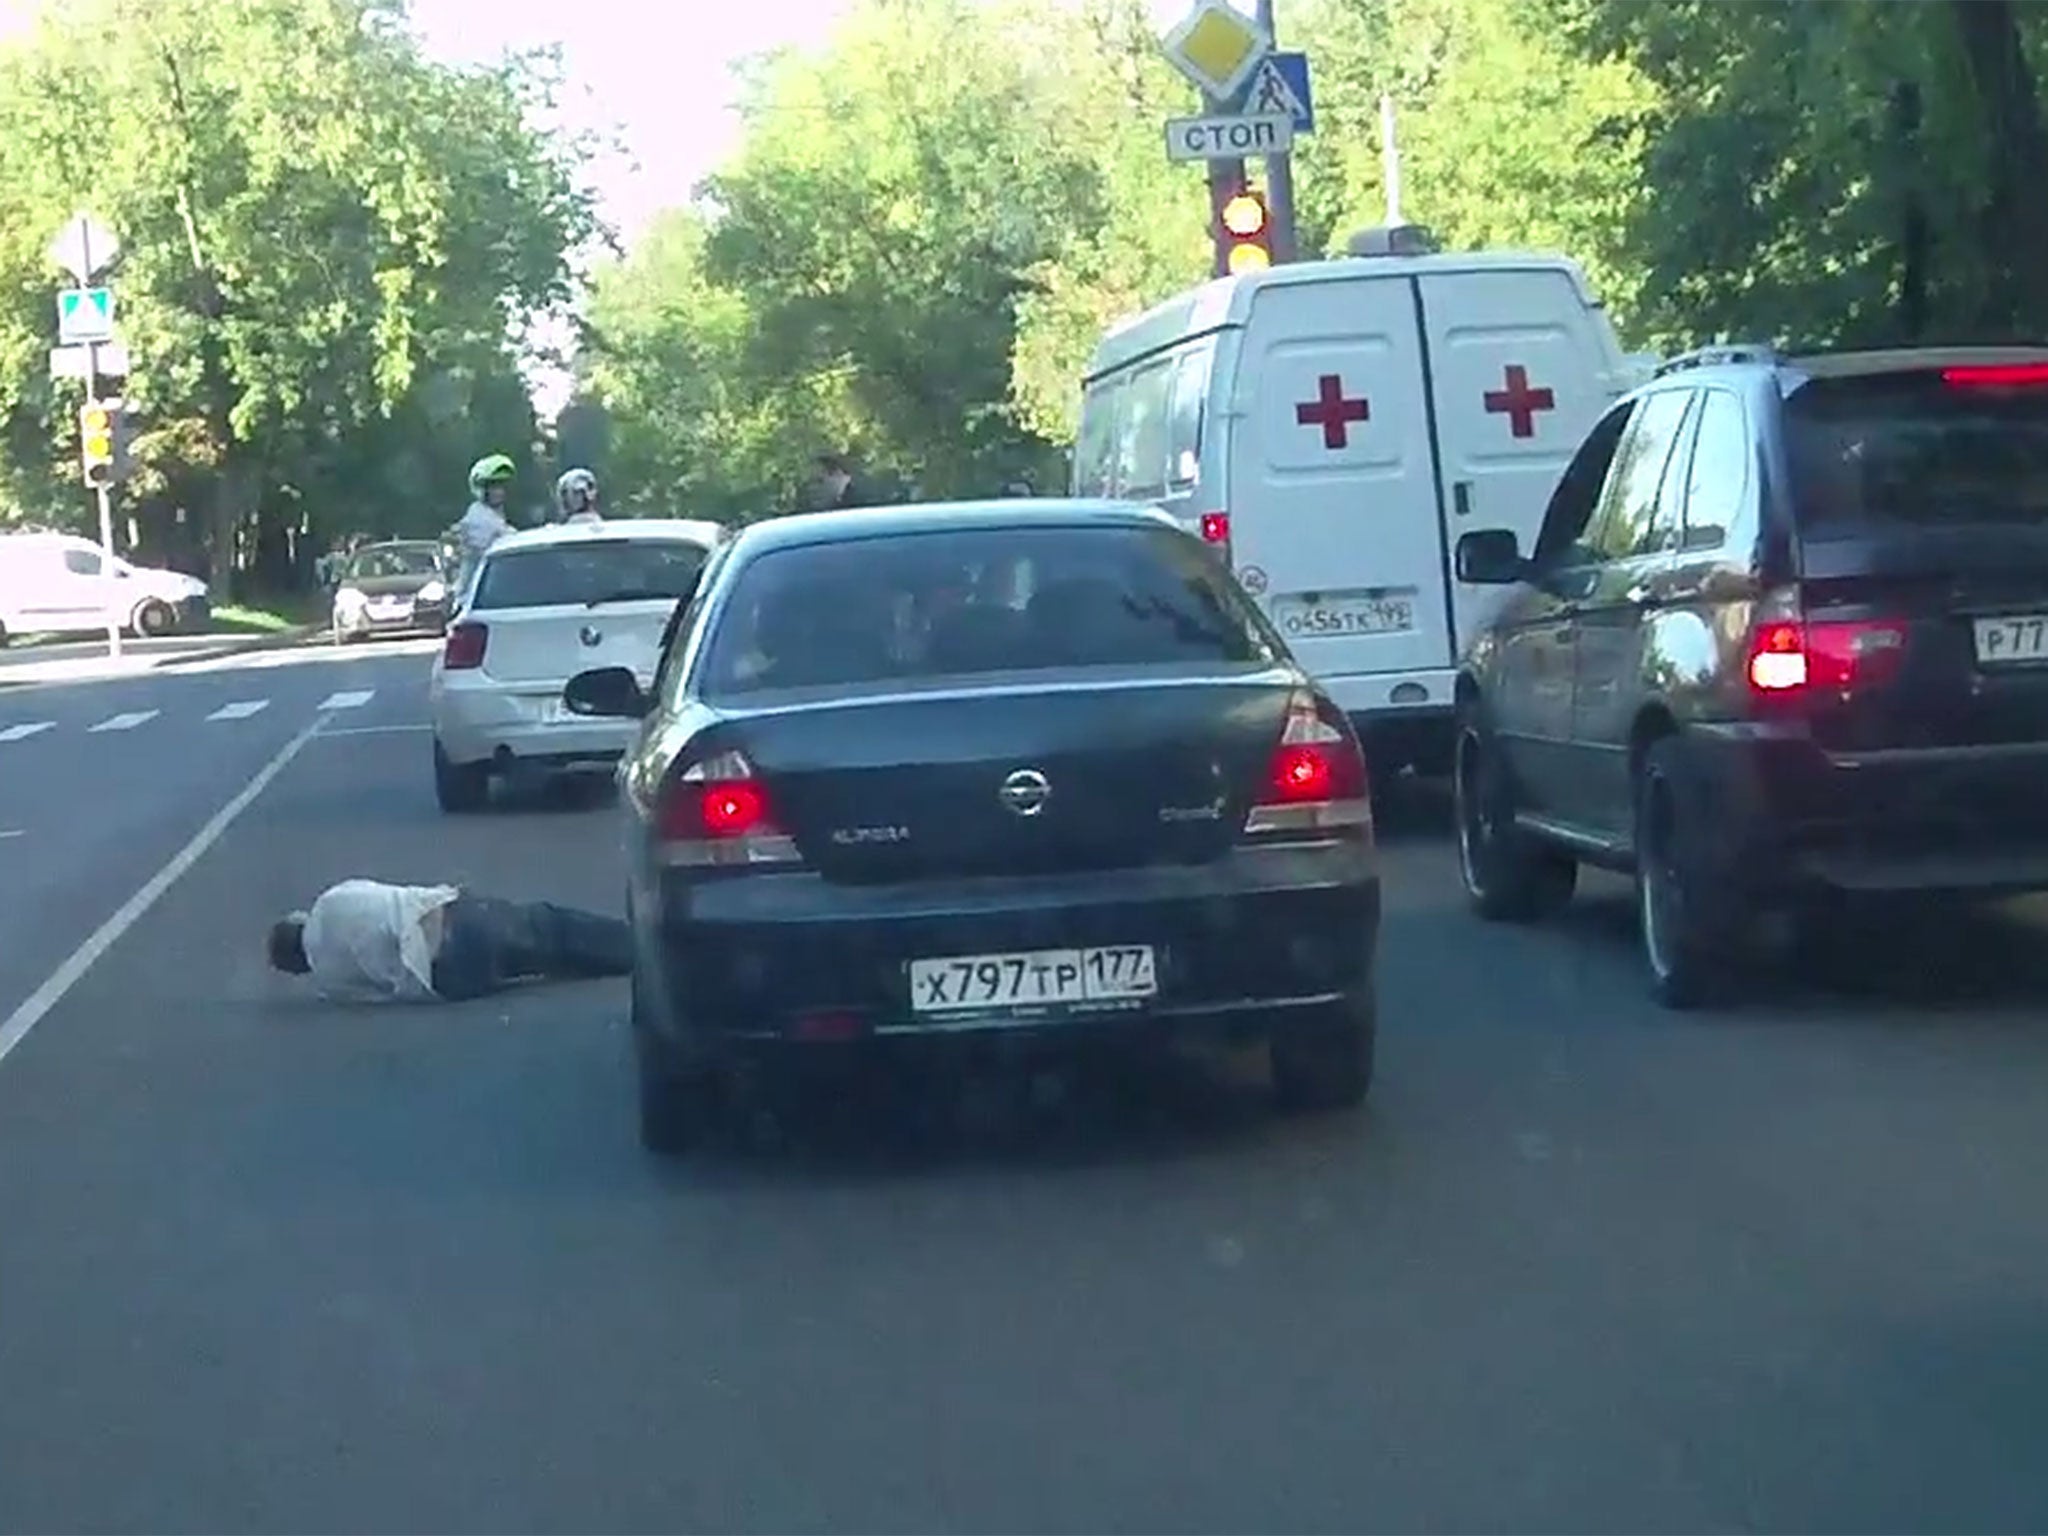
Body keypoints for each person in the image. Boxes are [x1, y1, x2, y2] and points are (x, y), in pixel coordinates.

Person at [267, 879, 634, 1004]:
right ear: (298, 919)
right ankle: (642, 949)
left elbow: (379, 996)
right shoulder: (331, 900)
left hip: (446, 979)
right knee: (549, 925)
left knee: (537, 960)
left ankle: (623, 959)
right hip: (449, 924)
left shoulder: (330, 985)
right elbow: (386, 897)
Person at [449, 453, 517, 598]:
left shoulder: (495, 515)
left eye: (501, 486)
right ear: (481, 489)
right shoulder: (477, 519)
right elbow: (506, 540)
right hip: (473, 596)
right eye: (493, 486)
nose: (500, 492)